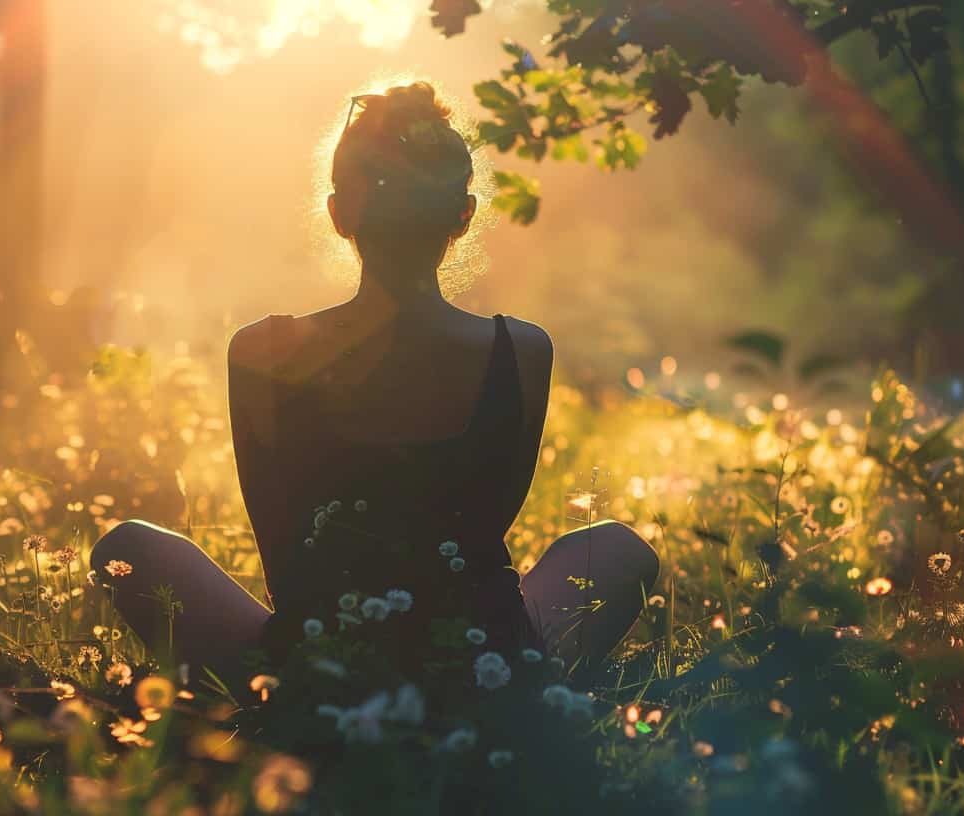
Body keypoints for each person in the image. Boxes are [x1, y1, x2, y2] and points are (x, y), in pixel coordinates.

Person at [90, 82, 658, 685]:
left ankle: (284, 698)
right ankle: (520, 690)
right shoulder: (521, 350)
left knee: (127, 548)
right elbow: (488, 529)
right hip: (483, 656)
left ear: (339, 215)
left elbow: (283, 558)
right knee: (619, 550)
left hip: (319, 660)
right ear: (463, 215)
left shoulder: (262, 350)